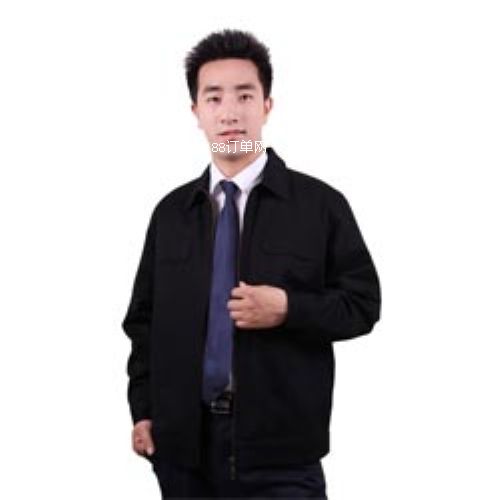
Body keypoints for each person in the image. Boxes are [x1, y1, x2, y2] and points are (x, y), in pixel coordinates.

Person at [121, 28, 381, 499]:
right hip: (183, 454)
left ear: (267, 105)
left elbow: (362, 305)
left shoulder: (319, 206)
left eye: (244, 95)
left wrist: (289, 308)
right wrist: (143, 410)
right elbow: (144, 322)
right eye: (214, 97)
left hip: (281, 456)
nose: (230, 112)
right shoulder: (172, 214)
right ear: (196, 112)